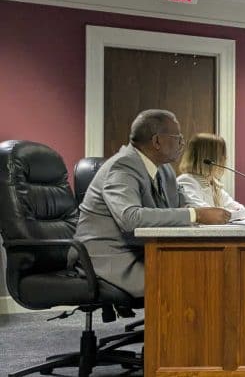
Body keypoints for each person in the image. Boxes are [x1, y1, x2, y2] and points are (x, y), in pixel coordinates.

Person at [73, 109, 231, 298]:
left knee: (208, 268)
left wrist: (205, 211)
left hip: (144, 248)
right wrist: (197, 214)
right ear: (157, 141)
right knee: (189, 280)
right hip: (110, 256)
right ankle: (172, 328)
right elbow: (130, 218)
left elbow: (181, 202)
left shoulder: (164, 169)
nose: (182, 143)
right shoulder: (122, 166)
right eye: (177, 137)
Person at [176, 133, 245, 215]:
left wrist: (239, 211)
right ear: (209, 158)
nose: (225, 158)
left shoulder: (213, 182)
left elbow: (235, 206)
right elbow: (203, 211)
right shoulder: (186, 180)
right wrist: (233, 213)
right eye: (222, 154)